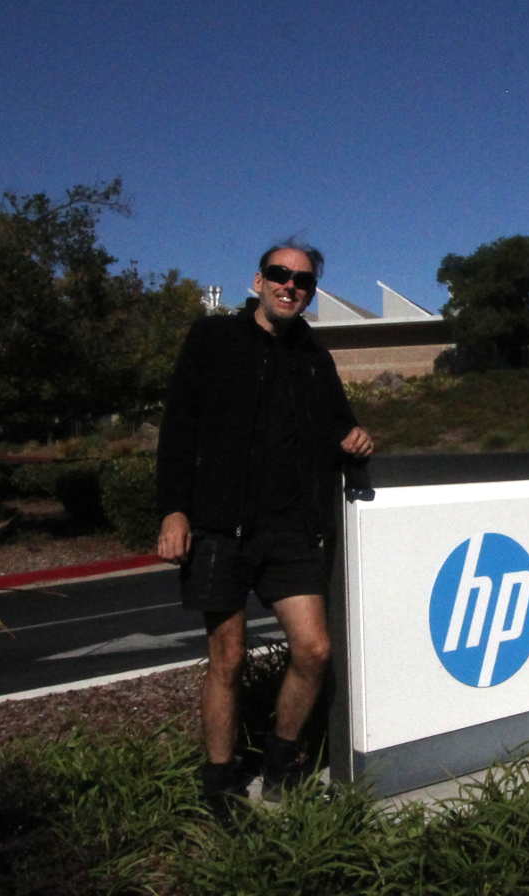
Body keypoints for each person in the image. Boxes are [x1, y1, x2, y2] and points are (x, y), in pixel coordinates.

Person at [155, 241, 375, 801]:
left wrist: (354, 439)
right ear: (258, 281)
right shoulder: (214, 339)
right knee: (226, 658)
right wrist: (173, 509)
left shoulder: (314, 357)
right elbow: (179, 426)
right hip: (219, 529)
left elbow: (340, 427)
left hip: (290, 531)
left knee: (314, 650)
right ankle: (219, 783)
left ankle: (281, 761)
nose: (289, 286)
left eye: (302, 281)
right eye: (280, 274)